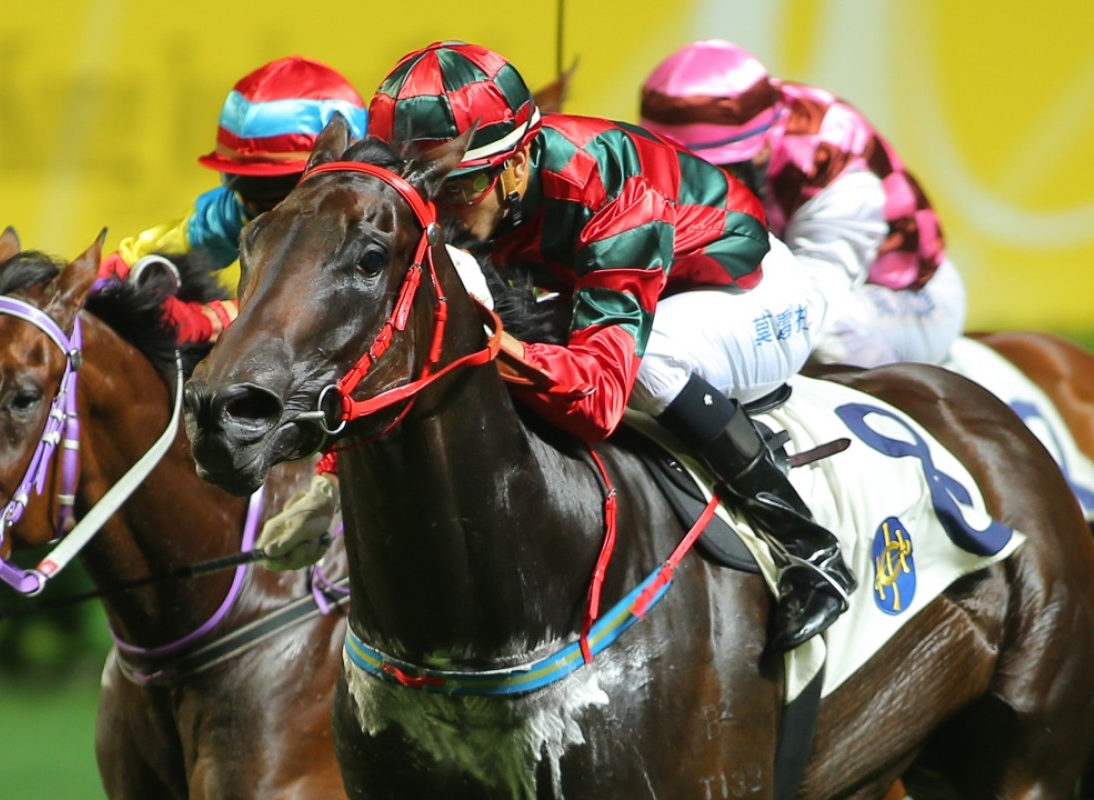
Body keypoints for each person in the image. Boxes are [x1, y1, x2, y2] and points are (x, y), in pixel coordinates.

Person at [368, 40, 857, 651]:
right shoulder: (485, 198)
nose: (437, 213)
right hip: (623, 284)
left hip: (751, 293)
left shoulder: (610, 193)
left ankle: (808, 550)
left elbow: (600, 398)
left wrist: (495, 348)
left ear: (516, 165)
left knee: (650, 364)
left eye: (458, 188)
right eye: (420, 191)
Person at [95, 56, 370, 565]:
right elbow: (112, 269)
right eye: (250, 193)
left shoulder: (383, 216)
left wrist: (217, 318)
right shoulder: (236, 210)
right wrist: (145, 303)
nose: (267, 213)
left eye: (283, 192)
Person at [639, 39, 966, 368]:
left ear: (762, 146)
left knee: (815, 332)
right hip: (799, 281)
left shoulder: (833, 163)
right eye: (674, 168)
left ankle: (899, 405)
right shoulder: (752, 116)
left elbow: (815, 307)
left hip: (903, 294)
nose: (692, 188)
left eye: (712, 169)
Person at [97, 55, 370, 345]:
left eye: (282, 186)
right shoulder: (241, 208)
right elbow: (122, 264)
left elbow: (330, 304)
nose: (260, 208)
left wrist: (208, 320)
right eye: (251, 186)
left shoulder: (383, 214)